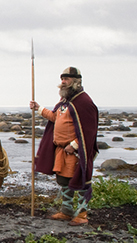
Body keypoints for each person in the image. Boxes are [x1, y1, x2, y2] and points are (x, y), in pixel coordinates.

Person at [30, 66, 98, 226]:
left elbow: (89, 130)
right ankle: (67, 211)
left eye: (66, 79)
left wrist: (74, 145)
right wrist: (39, 108)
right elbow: (55, 117)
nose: (63, 82)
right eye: (62, 79)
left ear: (76, 81)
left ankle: (82, 215)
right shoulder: (65, 101)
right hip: (61, 151)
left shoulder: (84, 102)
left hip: (75, 152)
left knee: (81, 181)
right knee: (64, 181)